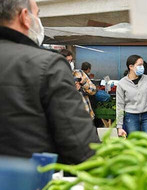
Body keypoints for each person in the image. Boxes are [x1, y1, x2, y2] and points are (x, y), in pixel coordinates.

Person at [0, 0, 98, 164]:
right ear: (25, 17)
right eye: (37, 14)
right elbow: (79, 144)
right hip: (31, 181)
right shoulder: (46, 64)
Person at [116, 55, 147, 136]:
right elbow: (120, 105)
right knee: (134, 142)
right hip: (131, 117)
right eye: (139, 65)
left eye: (142, 65)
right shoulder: (122, 83)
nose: (142, 67)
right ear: (131, 67)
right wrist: (119, 126)